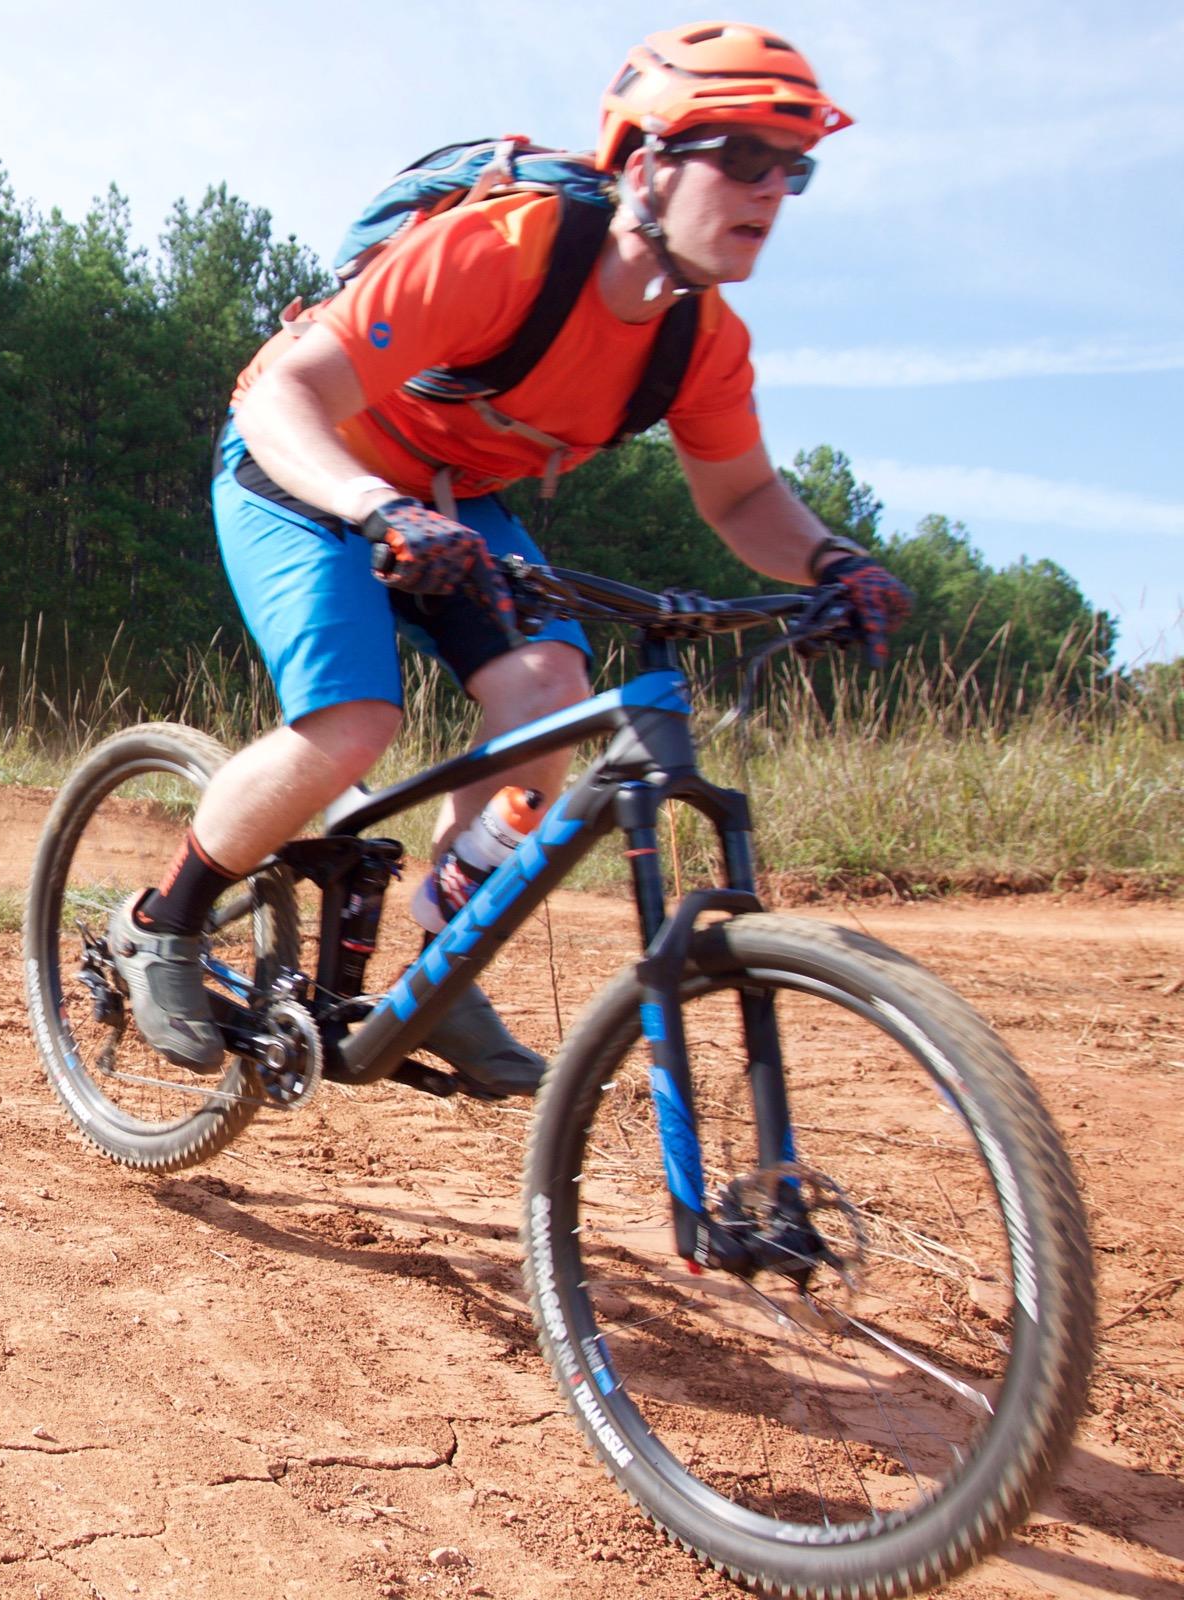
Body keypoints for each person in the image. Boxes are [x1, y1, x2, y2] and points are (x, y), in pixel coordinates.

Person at [109, 21, 912, 1094]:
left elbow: (744, 494)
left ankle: (444, 955)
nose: (772, 189)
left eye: (793, 167)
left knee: (551, 692)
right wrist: (373, 503)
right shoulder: (507, 248)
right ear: (643, 161)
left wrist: (830, 559)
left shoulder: (702, 340)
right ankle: (165, 921)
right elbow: (287, 395)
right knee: (355, 722)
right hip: (306, 463)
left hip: (450, 500)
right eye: (743, 156)